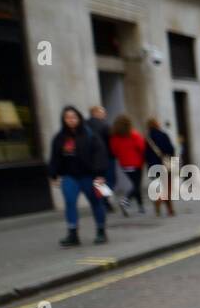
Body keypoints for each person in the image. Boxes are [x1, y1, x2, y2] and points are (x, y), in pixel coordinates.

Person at [48, 105, 109, 246]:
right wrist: (53, 175)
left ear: (79, 118)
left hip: (90, 176)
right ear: (64, 120)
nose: (71, 120)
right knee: (70, 203)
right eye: (67, 118)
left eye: (74, 117)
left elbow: (100, 154)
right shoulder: (60, 137)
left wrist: (100, 174)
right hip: (70, 176)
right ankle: (73, 234)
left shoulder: (90, 134)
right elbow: (55, 157)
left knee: (96, 203)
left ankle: (101, 231)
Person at [108, 114, 146, 216]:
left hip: (124, 164)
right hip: (136, 163)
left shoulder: (114, 137)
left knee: (135, 185)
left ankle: (141, 206)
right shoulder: (133, 134)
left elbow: (114, 151)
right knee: (136, 185)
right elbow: (142, 147)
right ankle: (125, 201)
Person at [143, 117, 177, 217]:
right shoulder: (163, 135)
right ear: (157, 124)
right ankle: (166, 207)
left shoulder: (147, 138)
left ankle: (163, 205)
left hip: (153, 167)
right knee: (167, 187)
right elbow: (171, 149)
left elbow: (145, 154)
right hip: (165, 165)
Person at [87, 105, 117, 212]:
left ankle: (102, 201)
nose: (105, 114)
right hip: (106, 157)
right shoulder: (104, 125)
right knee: (110, 180)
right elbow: (112, 141)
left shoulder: (85, 125)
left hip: (91, 159)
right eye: (102, 112)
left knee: (98, 180)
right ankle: (104, 201)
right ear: (95, 113)